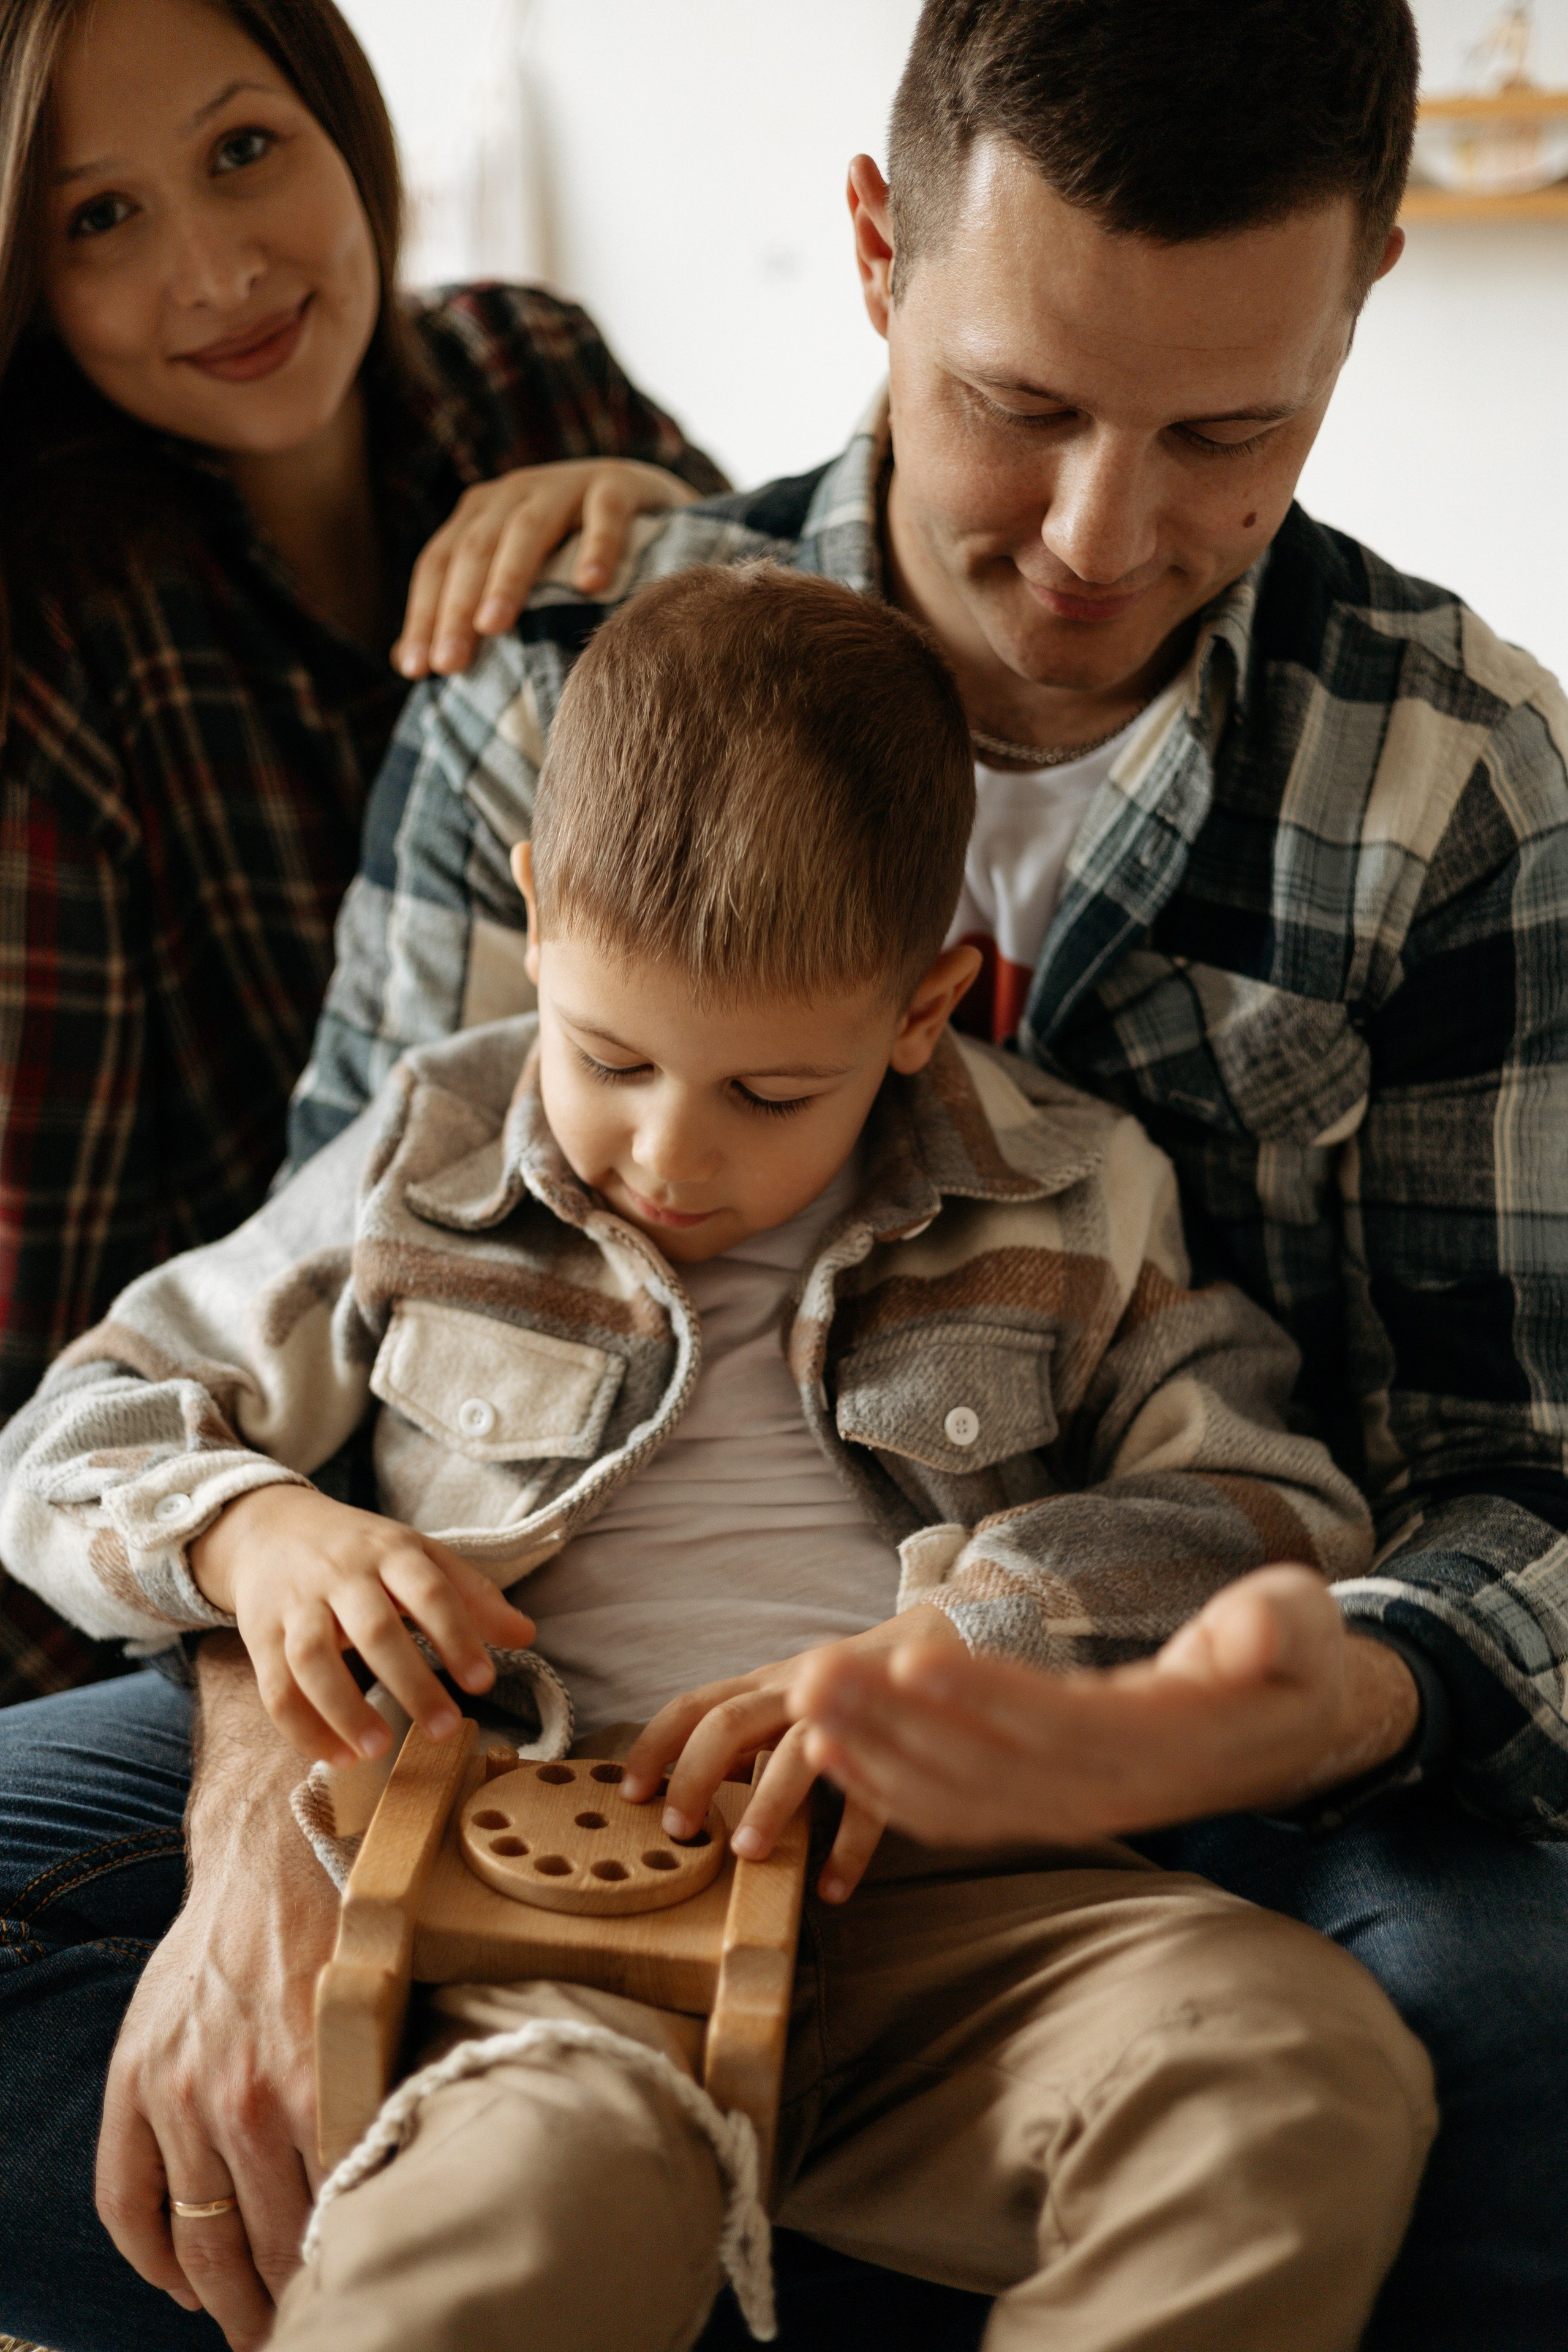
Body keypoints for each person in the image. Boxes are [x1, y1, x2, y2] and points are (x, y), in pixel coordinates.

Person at [273, 3, 1568, 2345]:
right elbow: (298, 1354)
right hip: (541, 1765)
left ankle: (762, 2203)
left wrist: (1304, 1706)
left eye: (1229, 432)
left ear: (1365, 293)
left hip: (1158, 1788)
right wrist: (259, 1854)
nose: (1099, 537)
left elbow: (1521, 1481)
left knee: (1491, 2037)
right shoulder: (558, 685)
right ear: (880, 249)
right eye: (1021, 404)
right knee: (120, 1951)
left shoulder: (1462, 790)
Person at [0, 562, 1434, 2352]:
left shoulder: (1078, 1190)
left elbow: (1276, 1511)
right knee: (512, 2211)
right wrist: (258, 1530)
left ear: (923, 1008)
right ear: (537, 915)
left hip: (961, 1912)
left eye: (771, 1094)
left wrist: (973, 1635)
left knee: (1295, 2066)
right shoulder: (429, 1153)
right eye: (611, 1059)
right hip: (531, 1915)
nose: (671, 1156)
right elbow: (84, 1423)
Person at [0, 0, 725, 1703]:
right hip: (285, 1525)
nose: (217, 272)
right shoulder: (53, 628)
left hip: (716, 1394)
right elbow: (43, 1330)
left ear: (344, 117)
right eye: (100, 218)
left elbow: (852, 797)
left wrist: (685, 533)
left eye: (244, 148)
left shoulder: (527, 373)